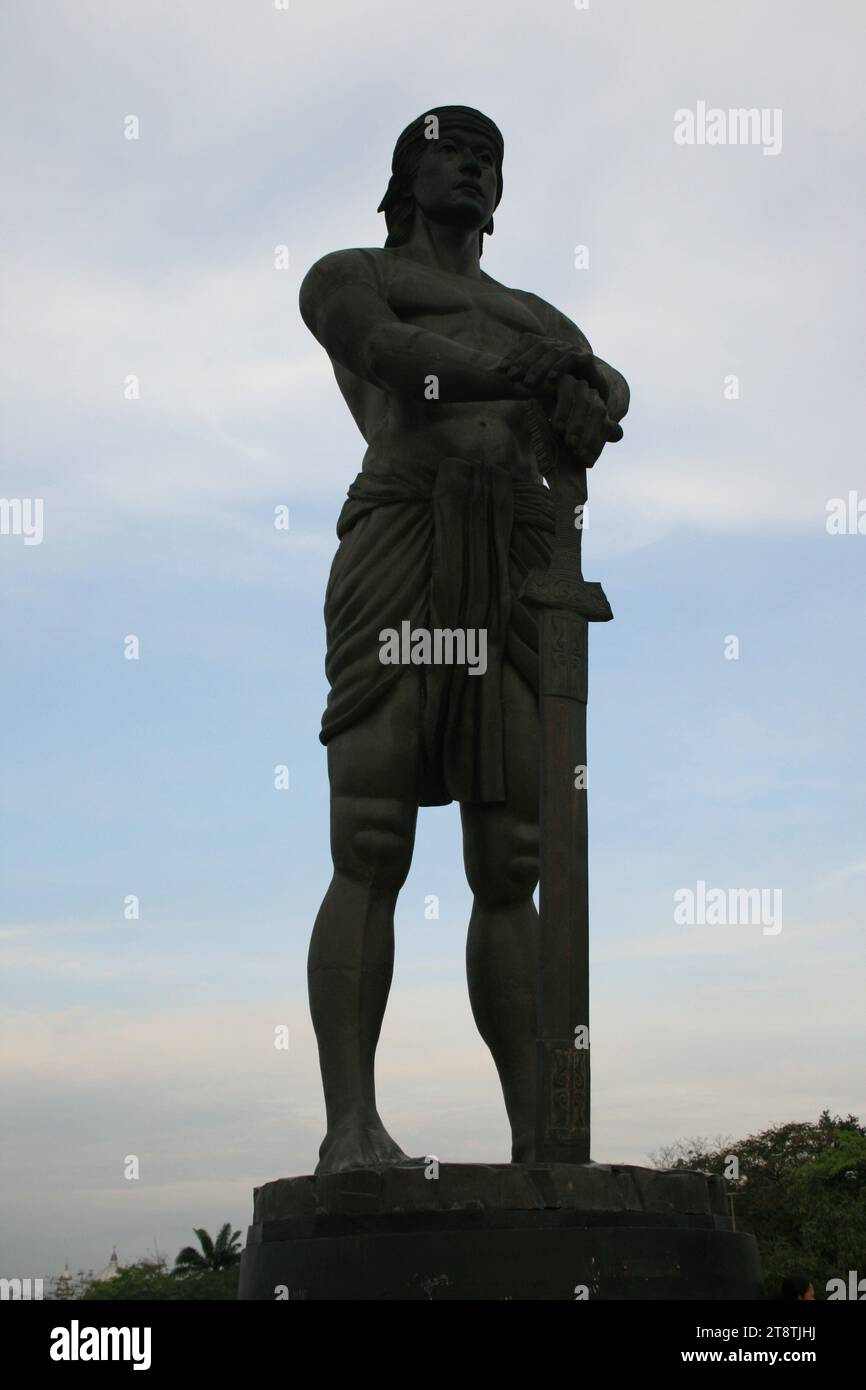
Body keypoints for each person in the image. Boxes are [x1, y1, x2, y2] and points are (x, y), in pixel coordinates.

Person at [299, 106, 629, 1174]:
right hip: (406, 535)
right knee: (373, 832)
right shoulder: (351, 272)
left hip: (519, 566)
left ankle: (543, 1138)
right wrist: (535, 379)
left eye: (489, 157)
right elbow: (389, 357)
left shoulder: (536, 313)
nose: (473, 166)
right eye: (450, 149)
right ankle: (352, 1127)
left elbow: (600, 383)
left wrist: (589, 397)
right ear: (403, 173)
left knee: (513, 855)